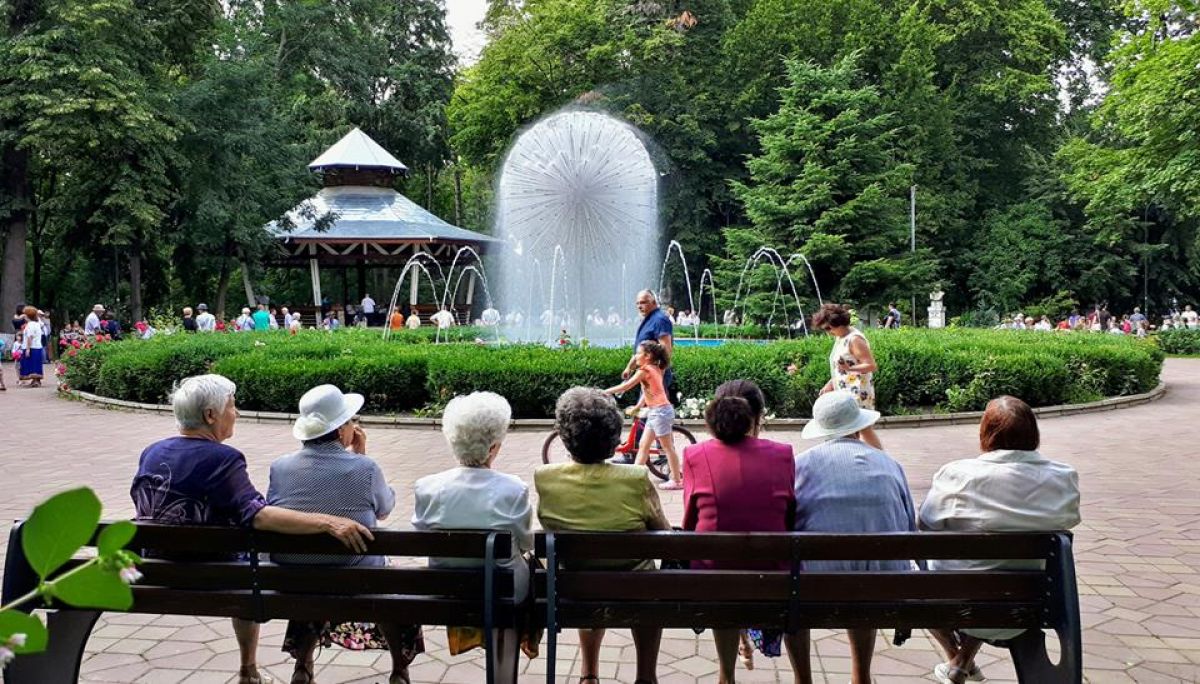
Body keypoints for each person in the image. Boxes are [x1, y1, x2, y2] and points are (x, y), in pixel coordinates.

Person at [131, 374, 373, 684]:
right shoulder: (224, 458)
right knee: (260, 568)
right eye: (232, 406)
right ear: (210, 415)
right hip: (215, 575)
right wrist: (328, 521)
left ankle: (253, 669)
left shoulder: (152, 452)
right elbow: (258, 515)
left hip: (157, 570)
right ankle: (248, 669)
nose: (237, 413)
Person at [268, 384, 423, 684]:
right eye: (351, 420)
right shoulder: (365, 468)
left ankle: (302, 666)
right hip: (356, 579)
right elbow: (385, 509)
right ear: (340, 431)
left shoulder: (280, 467)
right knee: (387, 579)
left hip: (294, 579)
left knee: (313, 575)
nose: (355, 425)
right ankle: (399, 670)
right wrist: (361, 457)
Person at [921, 396, 1081, 684]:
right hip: (1029, 605)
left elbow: (926, 523)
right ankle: (961, 663)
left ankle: (957, 660)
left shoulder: (958, 474)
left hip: (957, 603)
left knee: (920, 566)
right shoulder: (1063, 477)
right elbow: (1069, 520)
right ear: (1034, 434)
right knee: (999, 570)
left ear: (986, 433)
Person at [535, 387, 670, 684]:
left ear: (565, 436)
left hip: (574, 588)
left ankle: (589, 674)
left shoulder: (545, 478)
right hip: (635, 589)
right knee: (648, 581)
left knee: (587, 571)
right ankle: (646, 676)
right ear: (612, 437)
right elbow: (664, 536)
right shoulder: (635, 478)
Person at [682, 380, 803, 682]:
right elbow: (789, 518)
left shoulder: (695, 455)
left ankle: (726, 674)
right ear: (757, 417)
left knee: (718, 566)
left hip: (714, 582)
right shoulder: (783, 454)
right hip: (775, 579)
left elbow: (689, 523)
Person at [794, 390, 917, 684]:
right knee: (865, 572)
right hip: (883, 583)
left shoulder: (800, 465)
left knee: (794, 580)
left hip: (814, 584)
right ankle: (861, 675)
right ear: (858, 425)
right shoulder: (888, 464)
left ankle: (803, 679)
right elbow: (910, 525)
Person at [412, 392, 532, 683]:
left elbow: (421, 536)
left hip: (446, 587)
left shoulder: (427, 487)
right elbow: (527, 543)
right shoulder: (513, 489)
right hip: (503, 591)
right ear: (493, 447)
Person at [604, 340, 683, 489]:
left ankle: (677, 480)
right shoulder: (655, 368)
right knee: (643, 445)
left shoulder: (644, 371)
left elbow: (626, 386)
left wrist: (604, 392)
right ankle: (635, 478)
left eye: (638, 353)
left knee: (667, 448)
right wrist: (638, 406)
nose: (635, 356)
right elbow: (648, 392)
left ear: (648, 356)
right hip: (656, 411)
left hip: (660, 412)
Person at [813, 303, 883, 450]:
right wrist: (831, 383)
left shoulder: (854, 339)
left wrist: (850, 368)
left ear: (839, 324)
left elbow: (870, 365)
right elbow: (840, 368)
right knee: (852, 430)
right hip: (846, 390)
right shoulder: (841, 338)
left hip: (858, 391)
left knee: (863, 429)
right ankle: (861, 457)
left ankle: (879, 457)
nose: (828, 332)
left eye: (829, 328)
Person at [17, 306, 44, 387]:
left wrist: (28, 349)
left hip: (32, 347)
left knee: (31, 364)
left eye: (25, 314)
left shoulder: (30, 324)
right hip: (37, 346)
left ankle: (35, 380)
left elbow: (30, 337)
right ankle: (36, 380)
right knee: (36, 363)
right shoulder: (37, 323)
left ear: (28, 315)